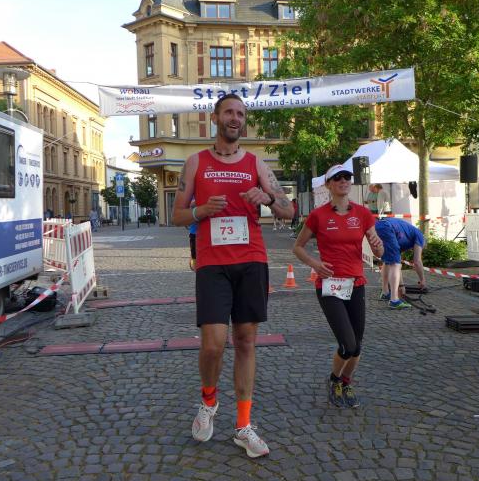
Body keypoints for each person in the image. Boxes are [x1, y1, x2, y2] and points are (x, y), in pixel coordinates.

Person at [171, 93, 293, 458]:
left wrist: (268, 199)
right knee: (212, 344)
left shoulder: (256, 163)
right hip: (212, 263)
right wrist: (201, 210)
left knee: (245, 341)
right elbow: (176, 215)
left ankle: (243, 426)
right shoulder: (196, 162)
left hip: (251, 260)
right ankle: (209, 401)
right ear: (216, 118)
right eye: (228, 112)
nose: (235, 118)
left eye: (240, 113)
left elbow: (289, 210)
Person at [293, 164, 383, 408]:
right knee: (348, 344)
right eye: (338, 178)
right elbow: (298, 247)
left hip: (356, 283)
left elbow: (379, 251)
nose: (343, 181)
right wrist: (315, 264)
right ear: (328, 185)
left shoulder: (363, 214)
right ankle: (334, 380)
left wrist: (378, 247)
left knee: (357, 346)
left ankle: (346, 381)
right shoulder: (318, 215)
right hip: (330, 285)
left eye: (347, 177)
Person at [374, 217, 426, 309]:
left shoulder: (406, 236)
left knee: (388, 262)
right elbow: (417, 261)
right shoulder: (420, 237)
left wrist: (401, 285)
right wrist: (422, 280)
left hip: (379, 225)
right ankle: (394, 301)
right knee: (395, 264)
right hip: (388, 227)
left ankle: (385, 292)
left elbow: (396, 260)